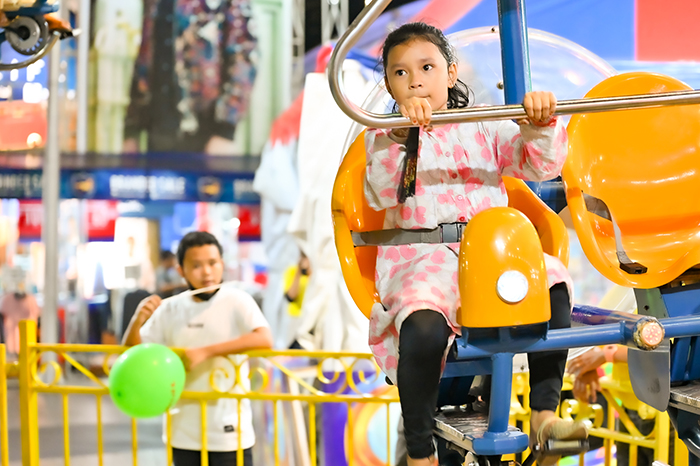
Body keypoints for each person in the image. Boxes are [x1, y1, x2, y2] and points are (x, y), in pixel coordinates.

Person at [364, 22, 587, 466]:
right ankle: (421, 449)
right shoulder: (384, 136)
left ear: (449, 74)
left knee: (552, 284)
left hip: (489, 254)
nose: (415, 81)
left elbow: (538, 166)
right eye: (400, 74)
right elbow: (384, 190)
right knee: (422, 320)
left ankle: (545, 414)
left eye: (426, 68)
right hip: (422, 256)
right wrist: (402, 136)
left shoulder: (481, 124)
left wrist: (539, 124)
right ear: (389, 84)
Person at [122, 231, 273, 466]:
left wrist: (205, 352)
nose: (207, 272)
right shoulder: (169, 308)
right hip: (182, 430)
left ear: (222, 264)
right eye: (196, 265)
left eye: (213, 263)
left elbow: (264, 339)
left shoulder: (238, 300)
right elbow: (131, 355)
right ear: (181, 270)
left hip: (230, 432)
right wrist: (136, 320)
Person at [123, 0, 257, 154]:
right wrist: (131, 128)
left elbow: (244, 55)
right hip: (157, 134)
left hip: (207, 134)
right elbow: (145, 55)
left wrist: (226, 130)